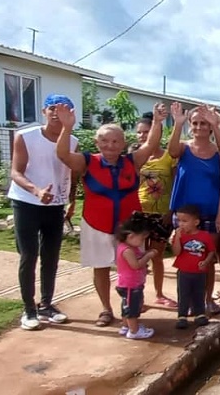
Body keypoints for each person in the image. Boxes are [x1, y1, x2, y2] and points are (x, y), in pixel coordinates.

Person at [55, 103, 165, 327]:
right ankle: (106, 309)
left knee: (136, 266)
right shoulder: (87, 161)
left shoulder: (132, 161)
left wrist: (157, 121)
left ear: (123, 143)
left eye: (115, 141)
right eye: (104, 141)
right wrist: (66, 128)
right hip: (97, 224)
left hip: (130, 228)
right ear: (97, 143)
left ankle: (132, 305)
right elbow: (63, 155)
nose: (110, 145)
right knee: (101, 267)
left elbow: (152, 143)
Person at [8, 94, 78, 330]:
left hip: (55, 206)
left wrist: (71, 200)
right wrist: (36, 190)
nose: (57, 113)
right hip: (27, 203)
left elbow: (72, 172)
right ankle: (29, 310)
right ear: (43, 111)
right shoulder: (26, 137)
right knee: (29, 255)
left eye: (64, 109)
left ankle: (46, 305)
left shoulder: (73, 141)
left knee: (51, 257)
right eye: (52, 109)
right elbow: (15, 172)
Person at [168, 103, 220, 315]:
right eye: (195, 123)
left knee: (207, 259)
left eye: (204, 123)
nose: (199, 127)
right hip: (184, 215)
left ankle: (207, 299)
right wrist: (178, 124)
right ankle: (187, 301)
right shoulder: (184, 148)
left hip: (211, 214)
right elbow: (172, 151)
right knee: (185, 258)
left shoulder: (218, 153)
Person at [133, 112, 177, 308]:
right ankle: (137, 296)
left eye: (146, 132)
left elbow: (176, 184)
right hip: (139, 212)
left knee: (156, 255)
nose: (142, 136)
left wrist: (171, 211)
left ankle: (159, 293)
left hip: (162, 213)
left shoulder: (169, 157)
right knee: (137, 256)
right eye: (139, 133)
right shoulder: (134, 157)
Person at [172, 204, 217, 328]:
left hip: (200, 272)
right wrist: (176, 239)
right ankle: (182, 316)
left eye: (185, 221)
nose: (181, 224)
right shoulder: (180, 236)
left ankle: (200, 314)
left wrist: (206, 262)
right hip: (184, 271)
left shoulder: (205, 235)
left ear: (196, 222)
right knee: (183, 294)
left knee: (199, 292)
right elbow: (176, 252)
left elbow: (211, 251)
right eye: (179, 221)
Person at [115, 213, 160, 339]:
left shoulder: (130, 247)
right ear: (131, 236)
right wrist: (148, 256)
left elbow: (139, 256)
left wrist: (146, 253)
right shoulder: (127, 250)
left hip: (131, 284)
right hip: (130, 285)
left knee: (127, 306)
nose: (142, 242)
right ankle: (134, 331)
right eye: (142, 239)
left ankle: (126, 326)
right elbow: (136, 265)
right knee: (132, 309)